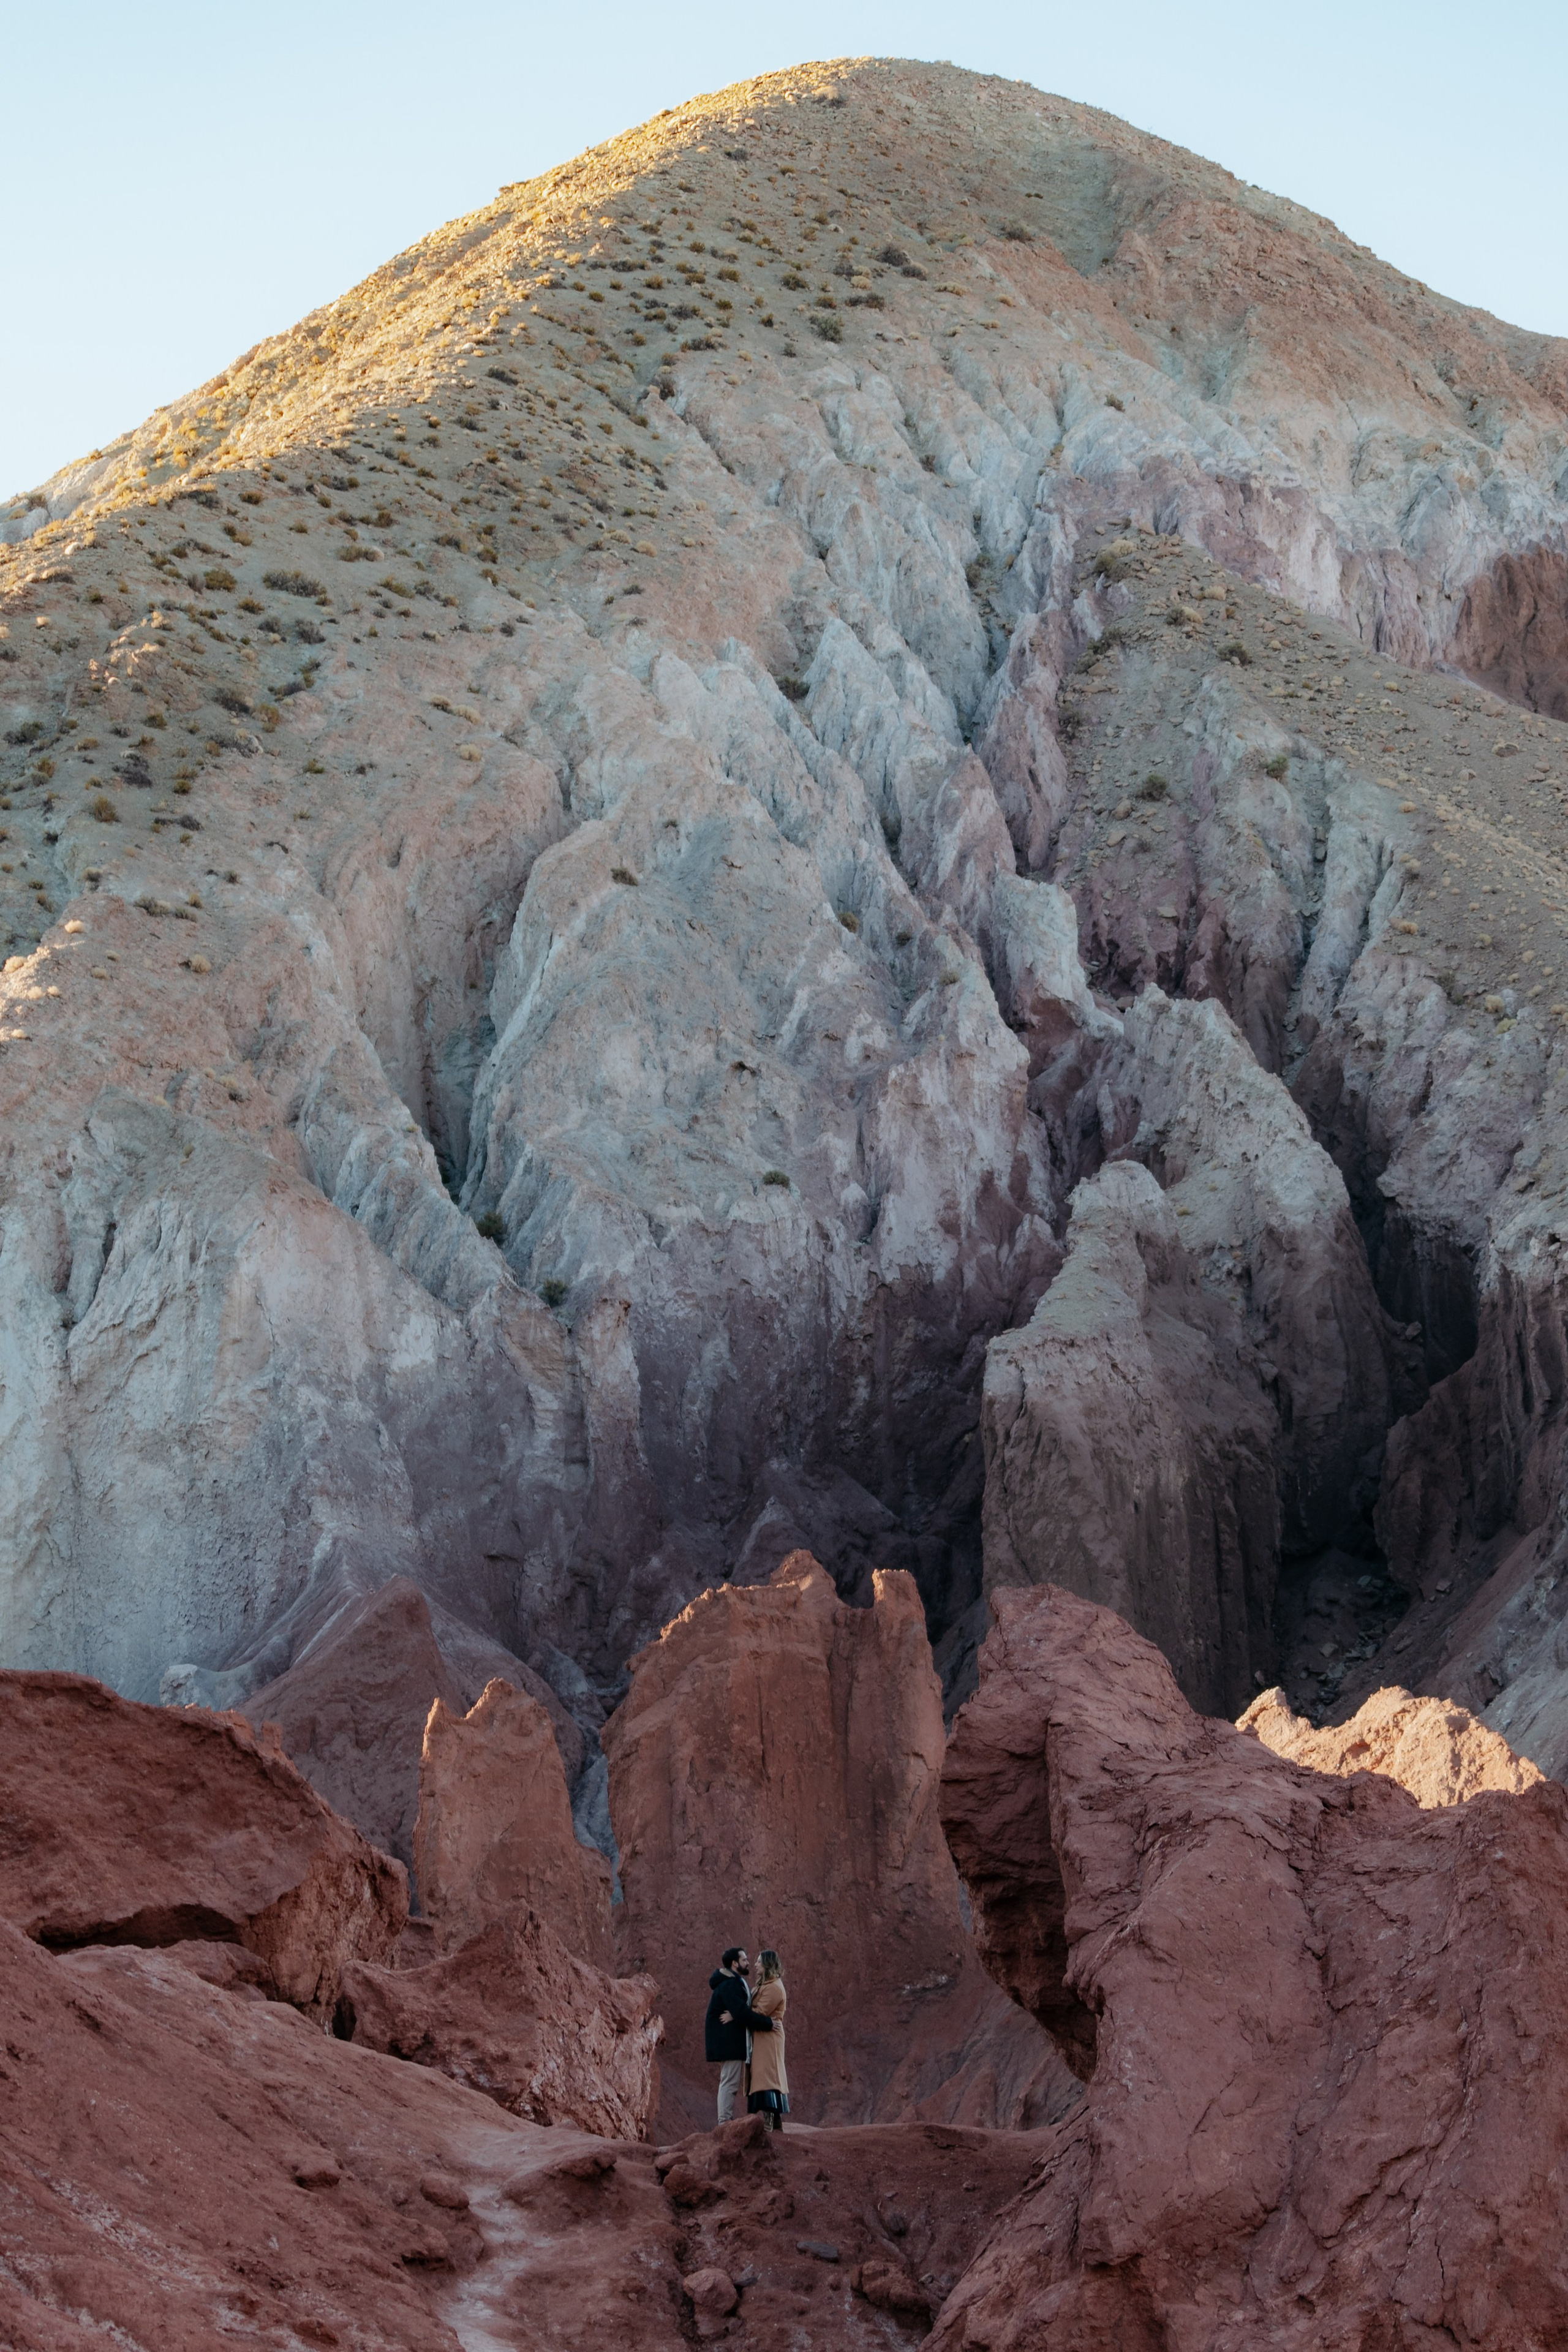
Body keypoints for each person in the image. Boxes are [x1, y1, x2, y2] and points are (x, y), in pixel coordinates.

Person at [704, 1946, 775, 2125]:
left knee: (729, 2081)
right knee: (729, 2082)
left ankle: (725, 2120)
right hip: (728, 2042)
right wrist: (768, 2023)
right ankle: (724, 2121)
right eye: (744, 1960)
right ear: (735, 1963)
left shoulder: (734, 1981)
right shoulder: (730, 1984)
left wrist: (735, 2015)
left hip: (730, 2041)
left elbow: (738, 2012)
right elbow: (742, 2013)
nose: (748, 1962)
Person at [745, 1948, 789, 2131]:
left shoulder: (774, 1988)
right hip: (765, 2036)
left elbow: (759, 2012)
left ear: (767, 1965)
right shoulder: (768, 1985)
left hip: (769, 2039)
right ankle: (774, 2117)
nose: (755, 1965)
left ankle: (769, 2117)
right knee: (766, 2074)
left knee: (767, 2075)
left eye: (758, 1962)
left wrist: (744, 2012)